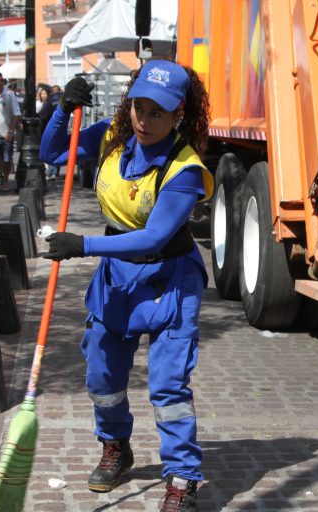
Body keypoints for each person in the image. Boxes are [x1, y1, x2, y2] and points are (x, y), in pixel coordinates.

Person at [39, 60, 213, 512]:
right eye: (139, 107)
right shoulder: (112, 139)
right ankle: (115, 445)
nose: (145, 119)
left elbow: (155, 236)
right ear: (129, 103)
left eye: (158, 112)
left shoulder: (185, 169)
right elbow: (52, 153)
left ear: (179, 115)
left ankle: (181, 477)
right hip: (118, 277)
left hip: (169, 278)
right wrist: (63, 109)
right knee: (102, 375)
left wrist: (81, 244)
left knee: (168, 387)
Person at [0, 71, 21, 192]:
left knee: (6, 158)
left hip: (6, 132)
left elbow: (16, 114)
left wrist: (11, 131)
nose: (0, 83)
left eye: (2, 80)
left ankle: (5, 180)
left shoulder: (10, 95)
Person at [39, 84, 63, 179]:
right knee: (59, 149)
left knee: (52, 149)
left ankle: (52, 172)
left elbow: (43, 115)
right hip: (64, 128)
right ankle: (56, 171)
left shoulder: (49, 101)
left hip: (52, 127)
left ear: (51, 92)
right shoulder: (63, 99)